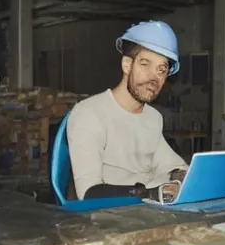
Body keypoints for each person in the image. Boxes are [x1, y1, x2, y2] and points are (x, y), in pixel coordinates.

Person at [66, 20, 188, 201]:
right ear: (127, 65)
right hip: (109, 218)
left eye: (161, 70)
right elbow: (89, 193)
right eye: (145, 64)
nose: (153, 77)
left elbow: (170, 165)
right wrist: (150, 194)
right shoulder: (89, 114)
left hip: (148, 212)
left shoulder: (153, 118)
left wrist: (181, 175)